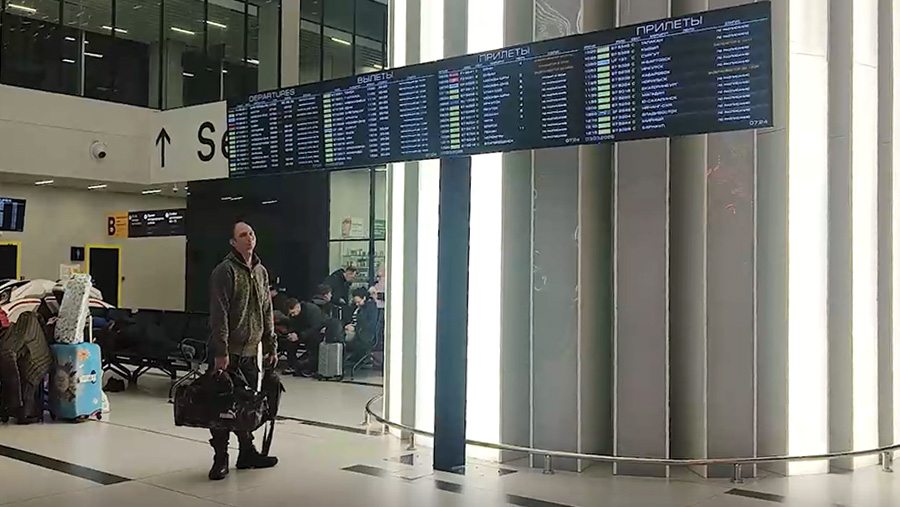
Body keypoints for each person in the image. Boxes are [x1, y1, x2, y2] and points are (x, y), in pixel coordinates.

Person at [207, 221, 279, 481]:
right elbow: (219, 314)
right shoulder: (224, 271)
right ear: (233, 242)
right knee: (222, 407)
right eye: (243, 235)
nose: (249, 238)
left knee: (247, 406)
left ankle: (247, 452)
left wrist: (270, 344)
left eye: (251, 234)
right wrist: (221, 351)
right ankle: (220, 457)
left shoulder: (260, 271)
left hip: (251, 352)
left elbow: (266, 310)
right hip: (228, 353)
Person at [345, 287, 378, 364]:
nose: (357, 304)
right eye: (355, 302)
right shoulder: (359, 307)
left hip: (363, 334)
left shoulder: (370, 308)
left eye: (358, 302)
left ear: (364, 298)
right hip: (358, 331)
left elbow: (368, 324)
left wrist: (354, 328)